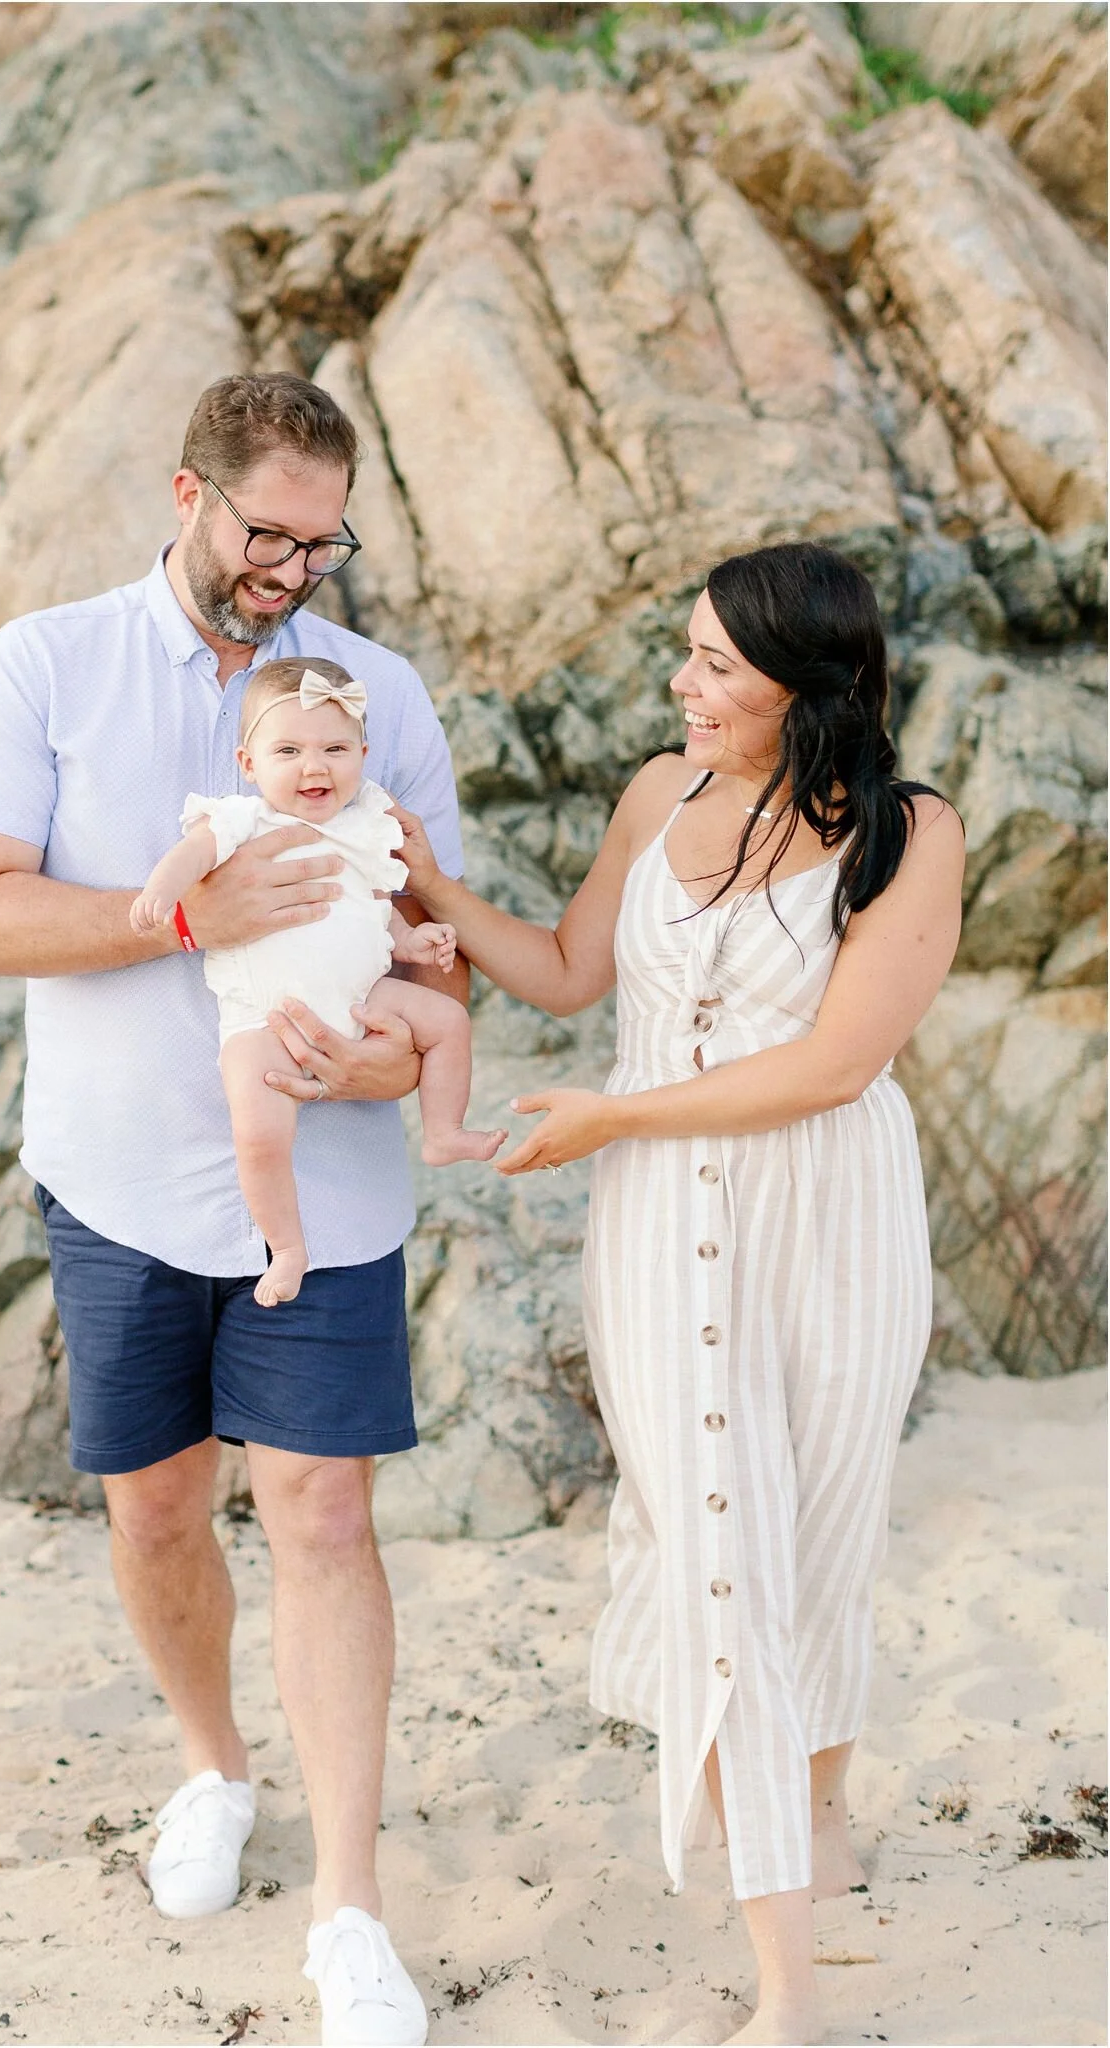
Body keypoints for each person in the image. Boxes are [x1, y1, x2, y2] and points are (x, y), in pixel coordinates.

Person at [0, 372, 460, 2047]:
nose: (292, 567)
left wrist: (396, 1054)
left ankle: (352, 1904)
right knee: (156, 1513)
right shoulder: (47, 664)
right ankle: (215, 1771)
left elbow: (430, 928)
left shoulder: (381, 692)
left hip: (338, 1187)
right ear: (186, 493)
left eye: (324, 539)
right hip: (119, 1180)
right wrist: (186, 916)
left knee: (319, 1514)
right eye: (265, 532)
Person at [390, 541, 965, 2047]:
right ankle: (787, 1994)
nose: (682, 684)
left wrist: (613, 1118)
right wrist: (430, 885)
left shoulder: (909, 834)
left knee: (821, 1529)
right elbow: (576, 972)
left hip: (831, 1216)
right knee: (725, 1552)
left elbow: (838, 1063)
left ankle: (815, 1814)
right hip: (658, 1229)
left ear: (807, 683)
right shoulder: (661, 793)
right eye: (686, 655)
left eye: (715, 664)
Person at [129, 654, 504, 1305]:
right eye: (289, 750)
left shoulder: (364, 826)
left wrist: (415, 939)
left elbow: (375, 909)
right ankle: (288, 1249)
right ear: (250, 764)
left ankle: (443, 1130)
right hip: (264, 1016)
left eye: (335, 748)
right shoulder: (247, 819)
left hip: (362, 998)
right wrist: (165, 887)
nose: (315, 766)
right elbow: (196, 852)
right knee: (259, 1130)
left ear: (362, 752)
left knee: (447, 1021)